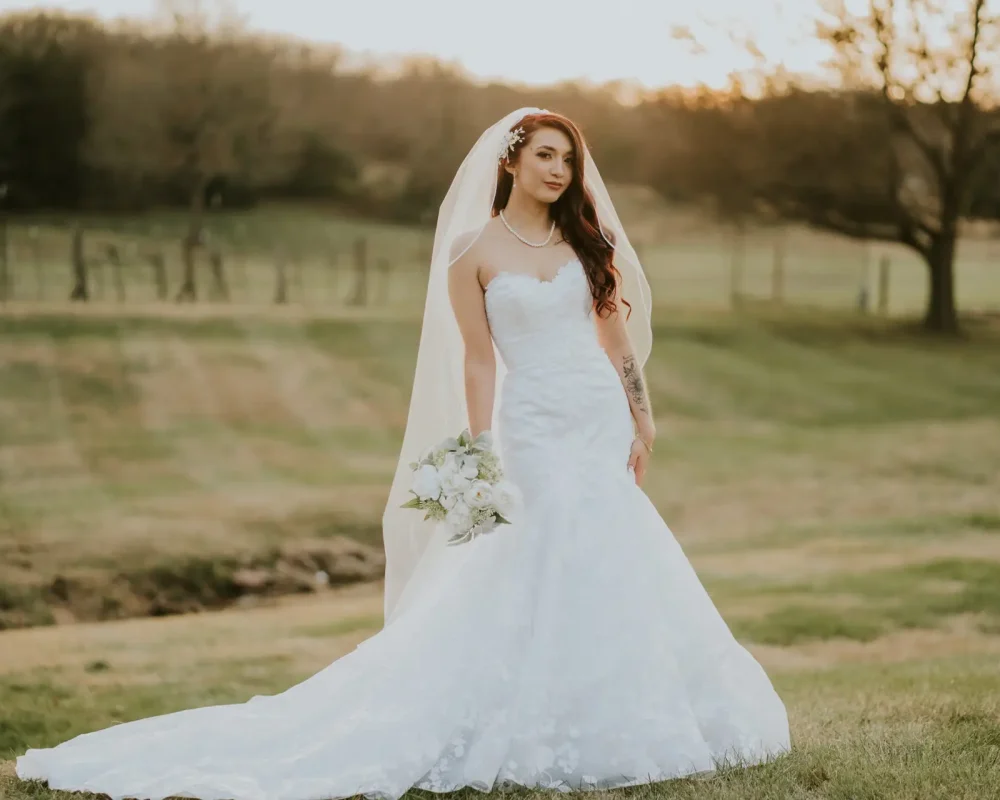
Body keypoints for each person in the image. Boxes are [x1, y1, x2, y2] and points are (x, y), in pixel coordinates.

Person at [16, 107, 790, 800]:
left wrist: (642, 417)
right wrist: (480, 449)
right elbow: (480, 360)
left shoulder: (588, 240)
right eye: (546, 156)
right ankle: (508, 713)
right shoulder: (472, 251)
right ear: (512, 161)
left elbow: (615, 337)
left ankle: (621, 710)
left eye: (568, 160)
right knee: (532, 557)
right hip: (530, 424)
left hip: (596, 416)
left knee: (611, 554)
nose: (559, 171)